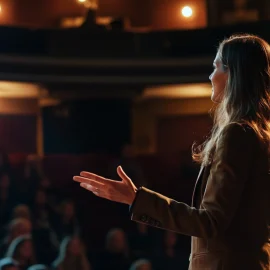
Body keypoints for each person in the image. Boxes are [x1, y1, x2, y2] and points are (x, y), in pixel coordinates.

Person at [73, 34, 270, 270]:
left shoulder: (237, 134)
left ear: (234, 74)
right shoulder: (261, 136)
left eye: (216, 66)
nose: (210, 75)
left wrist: (136, 198)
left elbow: (210, 222)